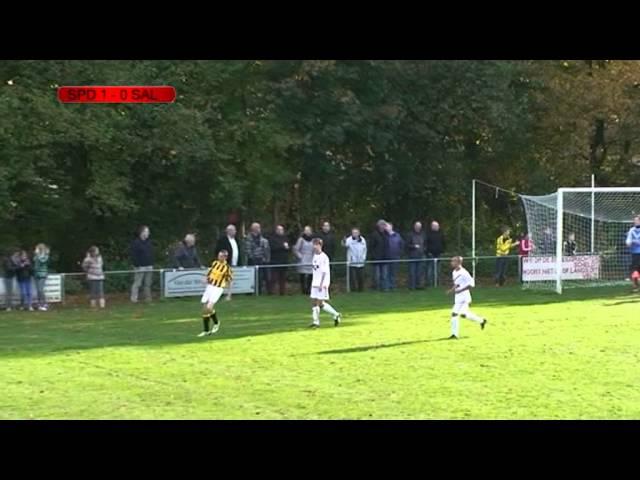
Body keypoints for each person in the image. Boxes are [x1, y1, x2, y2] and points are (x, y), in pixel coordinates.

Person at [446, 256, 487, 339]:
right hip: (458, 297)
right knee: (458, 314)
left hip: (464, 297)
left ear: (458, 263)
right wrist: (451, 290)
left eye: (453, 261)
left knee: (460, 314)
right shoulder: (454, 272)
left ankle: (481, 321)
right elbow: (457, 283)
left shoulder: (464, 273)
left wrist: (461, 290)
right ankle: (455, 334)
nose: (451, 263)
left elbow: (472, 284)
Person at [198, 249, 233, 337]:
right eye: (219, 255)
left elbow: (229, 281)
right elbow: (209, 274)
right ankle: (206, 331)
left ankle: (217, 322)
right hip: (210, 287)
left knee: (209, 307)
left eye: (221, 256)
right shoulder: (214, 263)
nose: (219, 257)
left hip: (218, 288)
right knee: (205, 309)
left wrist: (229, 294)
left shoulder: (227, 268)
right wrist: (205, 279)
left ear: (225, 257)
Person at [309, 238, 342, 328]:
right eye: (313, 245)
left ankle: (335, 314)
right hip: (315, 282)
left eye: (316, 245)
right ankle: (316, 322)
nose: (314, 247)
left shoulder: (324, 257)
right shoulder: (314, 256)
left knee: (320, 303)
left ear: (320, 245)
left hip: (322, 283)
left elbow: (324, 272)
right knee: (313, 301)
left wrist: (321, 284)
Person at [244, 222, 270, 294]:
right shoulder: (248, 238)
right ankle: (249, 292)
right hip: (252, 260)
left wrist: (266, 259)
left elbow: (267, 250)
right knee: (251, 277)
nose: (259, 229)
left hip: (261, 260)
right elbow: (247, 250)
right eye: (258, 227)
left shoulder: (263, 239)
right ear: (253, 229)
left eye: (259, 227)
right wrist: (252, 257)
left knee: (260, 277)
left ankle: (259, 292)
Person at [130, 225, 154, 303]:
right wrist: (137, 265)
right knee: (137, 283)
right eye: (147, 231)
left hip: (149, 265)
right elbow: (134, 255)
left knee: (148, 283)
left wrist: (151, 263)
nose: (148, 233)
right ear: (142, 232)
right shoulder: (136, 242)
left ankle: (148, 298)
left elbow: (151, 253)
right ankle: (134, 299)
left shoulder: (149, 242)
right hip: (140, 266)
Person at [268, 225, 290, 295]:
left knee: (283, 278)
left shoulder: (285, 238)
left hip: (284, 260)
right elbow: (272, 247)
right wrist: (282, 246)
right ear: (276, 230)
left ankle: (282, 292)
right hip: (275, 261)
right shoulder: (272, 238)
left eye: (282, 230)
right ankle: (271, 292)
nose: (281, 231)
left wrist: (287, 247)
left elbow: (288, 247)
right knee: (274, 278)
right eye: (279, 230)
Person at [343, 228, 367, 292]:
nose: (355, 234)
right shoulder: (349, 240)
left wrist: (364, 258)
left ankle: (361, 289)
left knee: (360, 277)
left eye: (356, 232)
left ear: (359, 233)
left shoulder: (362, 240)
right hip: (352, 261)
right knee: (352, 277)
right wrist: (344, 241)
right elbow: (345, 245)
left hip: (360, 261)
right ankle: (353, 289)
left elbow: (365, 249)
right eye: (353, 233)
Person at [293, 226, 315, 294]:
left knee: (311, 274)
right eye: (306, 230)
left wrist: (314, 256)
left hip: (311, 258)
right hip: (303, 258)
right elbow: (296, 249)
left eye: (308, 230)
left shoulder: (314, 240)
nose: (307, 232)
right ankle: (303, 289)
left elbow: (315, 249)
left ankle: (308, 289)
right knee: (302, 274)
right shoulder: (301, 239)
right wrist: (300, 256)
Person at [369, 220, 389, 291]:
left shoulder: (386, 234)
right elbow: (371, 246)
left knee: (384, 275)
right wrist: (373, 256)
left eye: (384, 225)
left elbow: (387, 246)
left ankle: (384, 288)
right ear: (378, 226)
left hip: (385, 258)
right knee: (376, 276)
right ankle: (376, 288)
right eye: (381, 225)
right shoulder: (374, 234)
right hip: (376, 258)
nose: (383, 226)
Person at [406, 221, 426, 290]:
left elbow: (425, 244)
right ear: (414, 226)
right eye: (417, 226)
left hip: (420, 256)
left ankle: (419, 285)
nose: (418, 228)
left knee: (419, 272)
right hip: (412, 256)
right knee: (412, 272)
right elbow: (407, 245)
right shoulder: (410, 234)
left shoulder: (422, 234)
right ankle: (412, 286)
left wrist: (424, 249)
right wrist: (414, 246)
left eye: (419, 227)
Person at [426, 221, 446, 287]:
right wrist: (428, 252)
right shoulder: (428, 234)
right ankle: (430, 283)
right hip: (430, 254)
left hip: (439, 254)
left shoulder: (441, 234)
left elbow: (444, 243)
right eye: (434, 226)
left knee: (438, 270)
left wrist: (442, 251)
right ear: (432, 227)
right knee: (430, 270)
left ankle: (437, 283)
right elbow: (426, 244)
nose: (436, 227)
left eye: (437, 226)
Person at [386, 222, 404, 290]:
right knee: (387, 273)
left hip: (395, 257)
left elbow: (401, 245)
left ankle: (393, 286)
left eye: (387, 226)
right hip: (387, 257)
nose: (386, 228)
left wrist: (400, 253)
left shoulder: (397, 235)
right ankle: (387, 286)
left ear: (391, 227)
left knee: (393, 272)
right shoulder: (384, 235)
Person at [625, 215, 640, 292]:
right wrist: (628, 243)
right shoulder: (632, 230)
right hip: (635, 253)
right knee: (634, 270)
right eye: (634, 220)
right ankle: (635, 286)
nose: (635, 222)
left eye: (636, 220)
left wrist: (635, 241)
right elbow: (628, 241)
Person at [33, 243, 50, 311]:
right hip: (36, 274)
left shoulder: (46, 256)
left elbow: (42, 261)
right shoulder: (36, 256)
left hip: (43, 274)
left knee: (40, 289)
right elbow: (35, 262)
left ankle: (44, 304)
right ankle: (39, 304)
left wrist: (37, 255)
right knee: (38, 290)